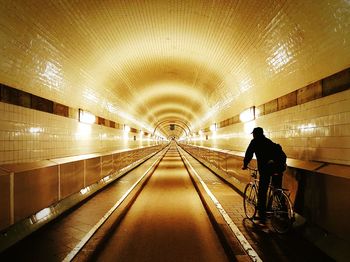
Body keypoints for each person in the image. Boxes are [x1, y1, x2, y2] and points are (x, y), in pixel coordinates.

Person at [242, 127, 283, 223]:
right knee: (277, 189)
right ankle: (284, 210)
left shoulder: (255, 142)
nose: (253, 135)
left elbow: (249, 154)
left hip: (265, 169)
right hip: (276, 167)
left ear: (255, 134)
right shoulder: (268, 141)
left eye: (253, 134)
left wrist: (245, 164)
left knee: (262, 191)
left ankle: (262, 215)